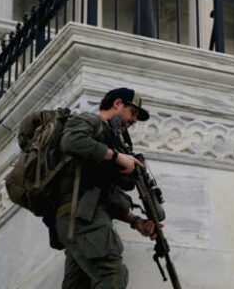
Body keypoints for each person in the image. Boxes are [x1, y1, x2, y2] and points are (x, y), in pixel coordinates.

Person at [54, 87, 161, 289]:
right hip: (81, 218)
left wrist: (135, 220)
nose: (134, 120)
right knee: (112, 274)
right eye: (133, 112)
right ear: (117, 103)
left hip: (82, 218)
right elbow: (71, 141)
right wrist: (117, 157)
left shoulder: (111, 140)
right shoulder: (91, 121)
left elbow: (102, 195)